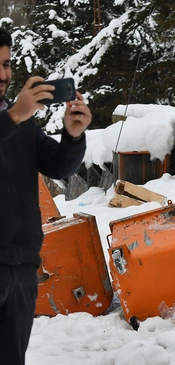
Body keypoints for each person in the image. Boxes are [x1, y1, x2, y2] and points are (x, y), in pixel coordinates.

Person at [0, 28, 92, 364]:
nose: (3, 74)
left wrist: (72, 136)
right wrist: (13, 116)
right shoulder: (15, 116)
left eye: (7, 64)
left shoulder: (19, 120)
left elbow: (58, 166)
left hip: (21, 269)